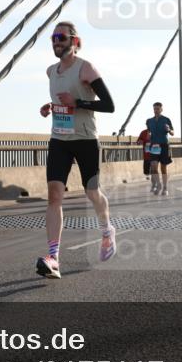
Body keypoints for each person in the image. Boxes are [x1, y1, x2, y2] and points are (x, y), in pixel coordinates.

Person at [36, 21, 116, 279]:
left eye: (61, 37)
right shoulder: (51, 71)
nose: (56, 42)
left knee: (92, 192)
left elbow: (109, 105)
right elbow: (62, 100)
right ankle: (54, 257)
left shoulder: (86, 68)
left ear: (74, 41)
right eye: (53, 38)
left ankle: (106, 231)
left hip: (85, 140)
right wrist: (50, 107)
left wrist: (79, 102)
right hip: (59, 139)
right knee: (54, 195)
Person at [146, 102, 174, 195]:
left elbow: (172, 132)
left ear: (161, 109)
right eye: (154, 109)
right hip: (154, 146)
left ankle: (165, 187)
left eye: (158, 109)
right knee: (153, 167)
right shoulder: (149, 121)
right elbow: (148, 133)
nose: (156, 110)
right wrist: (148, 136)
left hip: (164, 145)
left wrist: (169, 130)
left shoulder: (166, 120)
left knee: (163, 167)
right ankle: (159, 184)